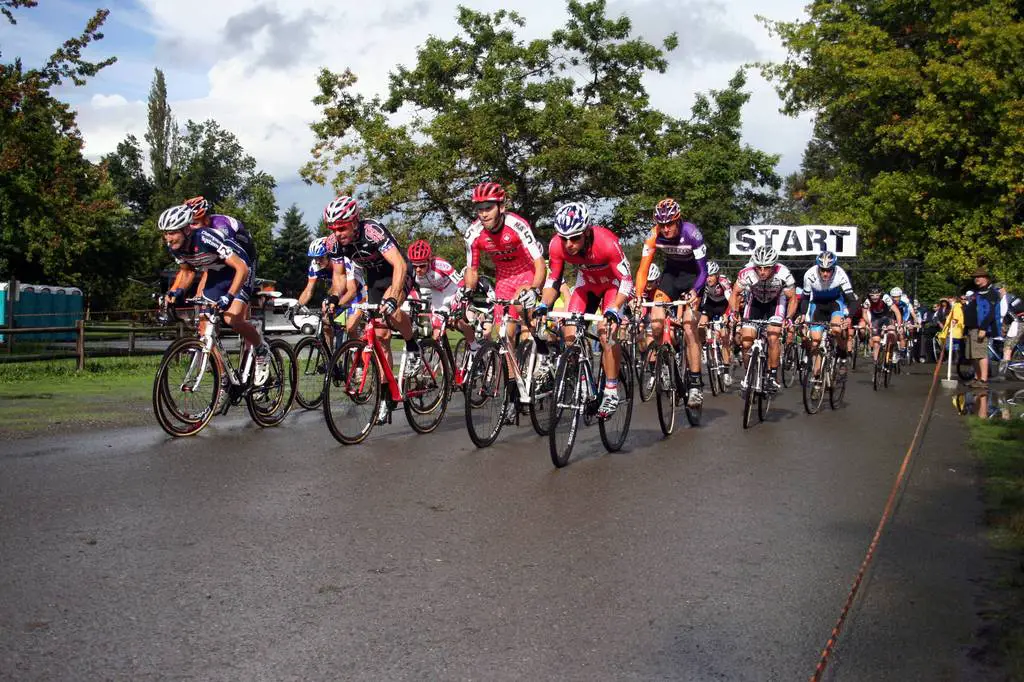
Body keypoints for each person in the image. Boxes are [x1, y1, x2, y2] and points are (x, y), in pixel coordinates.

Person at [321, 195, 418, 423]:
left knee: (391, 311)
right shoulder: (333, 243)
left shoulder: (372, 231)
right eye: (333, 228)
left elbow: (399, 264)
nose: (338, 233)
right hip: (375, 279)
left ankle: (413, 345)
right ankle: (386, 396)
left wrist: (394, 296)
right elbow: (339, 276)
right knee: (381, 336)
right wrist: (334, 297)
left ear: (354, 222)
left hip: (398, 272)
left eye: (342, 228)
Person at [535, 202, 634, 417]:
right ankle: (582, 381)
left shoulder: (607, 242)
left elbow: (626, 280)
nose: (569, 244)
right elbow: (553, 281)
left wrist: (615, 308)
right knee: (569, 333)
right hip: (586, 284)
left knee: (606, 332)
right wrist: (544, 305)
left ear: (587, 232)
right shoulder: (556, 246)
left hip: (612, 287)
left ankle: (610, 390)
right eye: (564, 238)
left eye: (575, 238)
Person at [159, 202, 271, 384]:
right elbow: (187, 272)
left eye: (172, 233)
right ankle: (223, 379)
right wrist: (177, 291)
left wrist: (230, 296)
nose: (168, 238)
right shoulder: (175, 247)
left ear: (186, 230)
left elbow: (241, 268)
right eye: (165, 233)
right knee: (204, 326)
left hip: (240, 268)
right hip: (218, 272)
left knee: (231, 319)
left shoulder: (207, 237)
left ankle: (260, 348)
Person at [633, 198, 707, 405]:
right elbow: (643, 268)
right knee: (656, 322)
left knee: (690, 327)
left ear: (678, 220)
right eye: (661, 224)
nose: (665, 229)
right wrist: (639, 295)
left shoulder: (692, 233)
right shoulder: (654, 234)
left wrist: (695, 290)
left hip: (694, 277)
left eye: (669, 224)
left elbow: (704, 270)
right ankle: (664, 364)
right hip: (671, 276)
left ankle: (694, 384)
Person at [462, 182, 546, 338]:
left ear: (501, 207)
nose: (484, 214)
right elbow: (472, 270)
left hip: (527, 273)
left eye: (488, 208)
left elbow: (539, 261)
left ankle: (543, 346)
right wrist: (467, 292)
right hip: (504, 280)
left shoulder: (517, 225)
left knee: (528, 327)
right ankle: (509, 362)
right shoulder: (473, 233)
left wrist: (535, 288)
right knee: (504, 335)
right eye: (480, 209)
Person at [729, 246, 797, 394]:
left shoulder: (784, 274)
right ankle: (748, 375)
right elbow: (735, 293)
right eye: (759, 268)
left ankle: (772, 375)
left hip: (776, 303)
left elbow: (792, 298)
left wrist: (789, 318)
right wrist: (734, 312)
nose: (762, 271)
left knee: (773, 335)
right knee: (746, 341)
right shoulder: (746, 273)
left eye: (766, 268)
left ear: (774, 266)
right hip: (755, 303)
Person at [295, 236, 364, 348]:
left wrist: (336, 305)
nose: (317, 261)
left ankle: (359, 359)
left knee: (351, 328)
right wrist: (297, 306)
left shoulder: (345, 261)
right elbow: (309, 290)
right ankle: (331, 359)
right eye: (315, 258)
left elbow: (352, 291)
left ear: (330, 255)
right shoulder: (315, 265)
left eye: (320, 258)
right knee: (326, 324)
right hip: (338, 294)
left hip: (357, 295)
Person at [406, 239, 474, 343]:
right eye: (415, 266)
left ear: (429, 260)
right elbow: (409, 289)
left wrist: (462, 297)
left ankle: (474, 346)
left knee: (457, 322)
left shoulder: (439, 264)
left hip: (452, 291)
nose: (418, 269)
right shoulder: (411, 271)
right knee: (436, 328)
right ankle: (441, 354)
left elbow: (460, 281)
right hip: (437, 295)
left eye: (422, 265)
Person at [802, 250, 857, 376]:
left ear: (834, 268)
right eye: (822, 270)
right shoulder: (810, 274)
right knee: (815, 341)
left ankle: (842, 357)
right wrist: (803, 315)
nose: (825, 273)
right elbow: (805, 298)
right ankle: (817, 377)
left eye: (829, 270)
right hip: (817, 304)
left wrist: (849, 318)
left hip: (835, 303)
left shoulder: (840, 274)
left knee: (837, 330)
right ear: (818, 268)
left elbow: (852, 299)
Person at [697, 261, 733, 386]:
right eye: (707, 275)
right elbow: (698, 299)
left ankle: (727, 371)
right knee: (701, 325)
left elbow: (731, 300)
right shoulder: (703, 281)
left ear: (717, 275)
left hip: (724, 305)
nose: (709, 279)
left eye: (711, 276)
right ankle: (703, 347)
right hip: (711, 305)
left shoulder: (724, 282)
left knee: (724, 336)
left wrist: (727, 315)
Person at [963, 267, 1000, 388]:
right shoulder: (976, 293)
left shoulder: (992, 293)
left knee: (980, 354)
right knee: (973, 355)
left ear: (986, 278)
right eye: (975, 277)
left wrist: (983, 328)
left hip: (981, 328)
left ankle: (983, 380)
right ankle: (977, 377)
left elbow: (991, 312)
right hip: (971, 327)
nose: (976, 279)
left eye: (979, 277)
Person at [862, 284, 903, 363]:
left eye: (877, 295)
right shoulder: (866, 300)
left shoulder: (885, 298)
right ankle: (875, 361)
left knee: (891, 332)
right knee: (876, 340)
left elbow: (897, 312)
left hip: (887, 317)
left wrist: (899, 325)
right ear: (869, 295)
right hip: (876, 318)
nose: (875, 297)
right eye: (872, 295)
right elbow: (864, 313)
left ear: (880, 294)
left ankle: (895, 349)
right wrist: (869, 323)